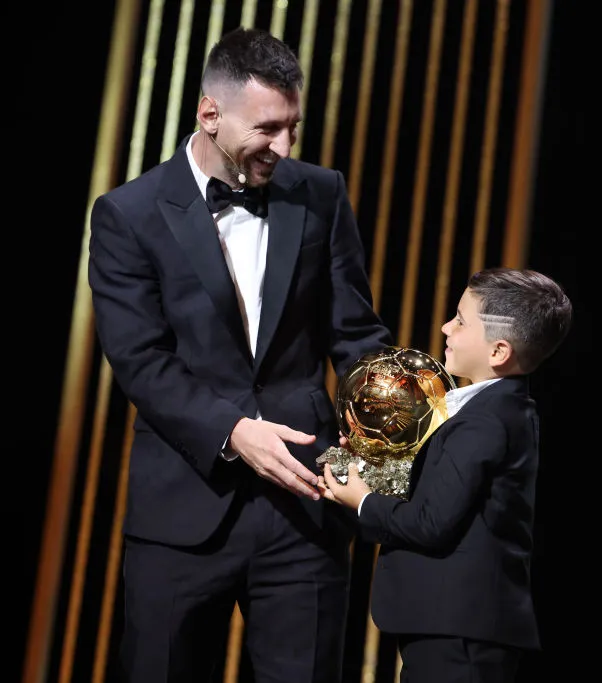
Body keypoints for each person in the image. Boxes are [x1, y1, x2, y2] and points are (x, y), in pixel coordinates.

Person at [87, 27, 391, 682]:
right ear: (209, 113)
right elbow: (141, 360)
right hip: (182, 511)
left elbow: (355, 333)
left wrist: (394, 420)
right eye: (268, 128)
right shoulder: (127, 214)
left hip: (306, 509)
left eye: (293, 127)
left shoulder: (320, 192)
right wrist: (233, 431)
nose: (284, 147)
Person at [318, 267, 573, 683]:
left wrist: (362, 500)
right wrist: (371, 463)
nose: (444, 327)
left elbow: (430, 522)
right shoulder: (492, 410)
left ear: (499, 351)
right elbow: (441, 494)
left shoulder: (487, 421)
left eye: (460, 319)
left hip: (461, 629)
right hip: (454, 625)